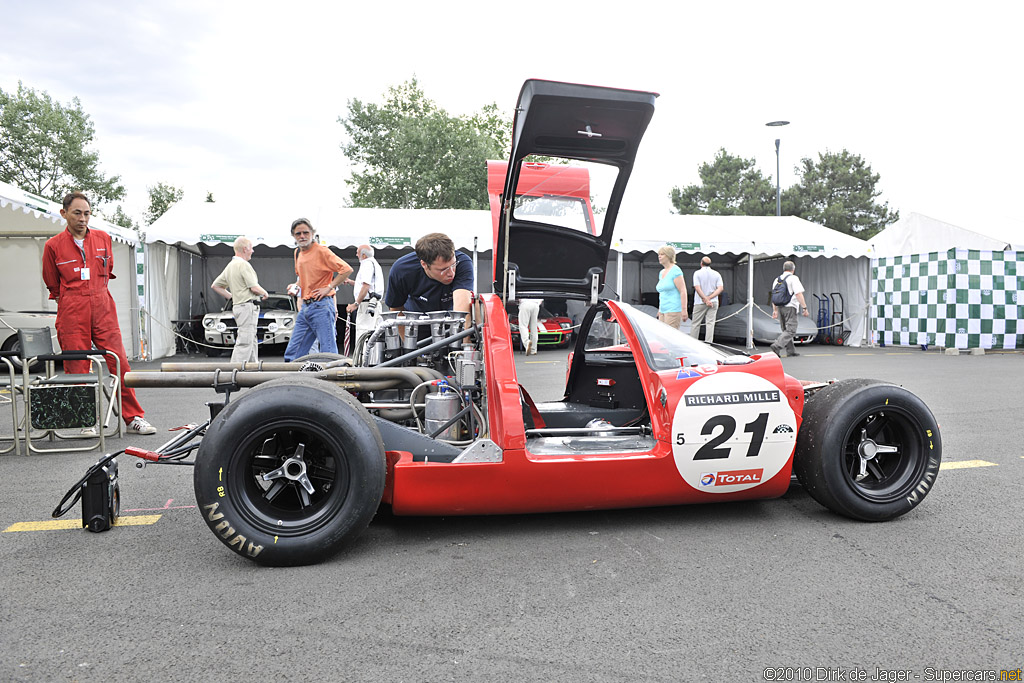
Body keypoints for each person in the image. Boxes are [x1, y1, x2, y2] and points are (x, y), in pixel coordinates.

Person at [41, 192, 156, 435]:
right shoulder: (53, 246)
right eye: (77, 213)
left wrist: (94, 296)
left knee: (120, 362)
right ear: (64, 214)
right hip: (72, 310)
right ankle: (85, 422)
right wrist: (72, 302)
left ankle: (133, 417)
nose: (83, 219)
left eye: (86, 213)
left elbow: (108, 269)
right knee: (77, 367)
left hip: (103, 306)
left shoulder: (103, 239)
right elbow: (52, 283)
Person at [282, 218, 353, 361]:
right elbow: (301, 277)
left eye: (305, 233)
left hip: (321, 306)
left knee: (328, 353)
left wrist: (329, 287)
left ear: (313, 233)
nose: (302, 236)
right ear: (293, 236)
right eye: (298, 234)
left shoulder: (322, 251)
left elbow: (346, 269)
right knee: (293, 353)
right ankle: (292, 380)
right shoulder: (297, 253)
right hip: (306, 307)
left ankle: (332, 381)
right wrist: (295, 286)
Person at [384, 233, 474, 338]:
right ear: (424, 265)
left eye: (453, 265)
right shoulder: (402, 270)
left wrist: (464, 343)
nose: (451, 273)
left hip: (449, 324)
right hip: (415, 324)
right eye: (443, 269)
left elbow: (461, 308)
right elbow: (396, 310)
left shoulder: (463, 263)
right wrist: (407, 345)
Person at [211, 236, 269, 363]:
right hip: (247, 306)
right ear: (245, 249)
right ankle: (234, 372)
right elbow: (254, 287)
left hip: (239, 306)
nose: (252, 251)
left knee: (251, 339)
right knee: (245, 341)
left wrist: (233, 297)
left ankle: (253, 369)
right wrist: (265, 293)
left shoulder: (230, 265)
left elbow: (216, 286)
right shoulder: (244, 265)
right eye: (251, 248)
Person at [344, 244, 385, 346]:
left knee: (363, 334)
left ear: (364, 255)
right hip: (374, 303)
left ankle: (362, 361)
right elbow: (367, 285)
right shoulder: (375, 264)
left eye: (357, 253)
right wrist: (350, 282)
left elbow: (366, 286)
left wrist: (355, 304)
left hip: (367, 305)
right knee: (374, 334)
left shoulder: (366, 264)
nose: (356, 255)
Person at [770, 260, 810, 358]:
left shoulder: (777, 279)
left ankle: (791, 351)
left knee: (785, 330)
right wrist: (804, 307)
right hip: (790, 307)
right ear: (793, 269)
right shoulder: (793, 278)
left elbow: (774, 296)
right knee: (791, 330)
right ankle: (777, 346)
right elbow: (798, 294)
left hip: (780, 307)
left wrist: (775, 310)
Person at [690, 256, 724, 343]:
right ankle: (708, 344)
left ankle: (693, 343)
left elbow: (697, 288)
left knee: (695, 324)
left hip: (699, 302)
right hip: (713, 302)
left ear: (701, 263)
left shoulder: (697, 273)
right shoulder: (717, 274)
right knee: (710, 324)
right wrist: (709, 298)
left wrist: (705, 299)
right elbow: (720, 288)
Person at [655, 246, 688, 330]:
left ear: (669, 256)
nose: (659, 256)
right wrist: (660, 309)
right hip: (663, 310)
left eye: (662, 254)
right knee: (662, 336)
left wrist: (684, 310)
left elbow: (683, 291)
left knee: (669, 337)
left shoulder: (675, 271)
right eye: (659, 254)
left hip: (673, 309)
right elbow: (662, 293)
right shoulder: (661, 272)